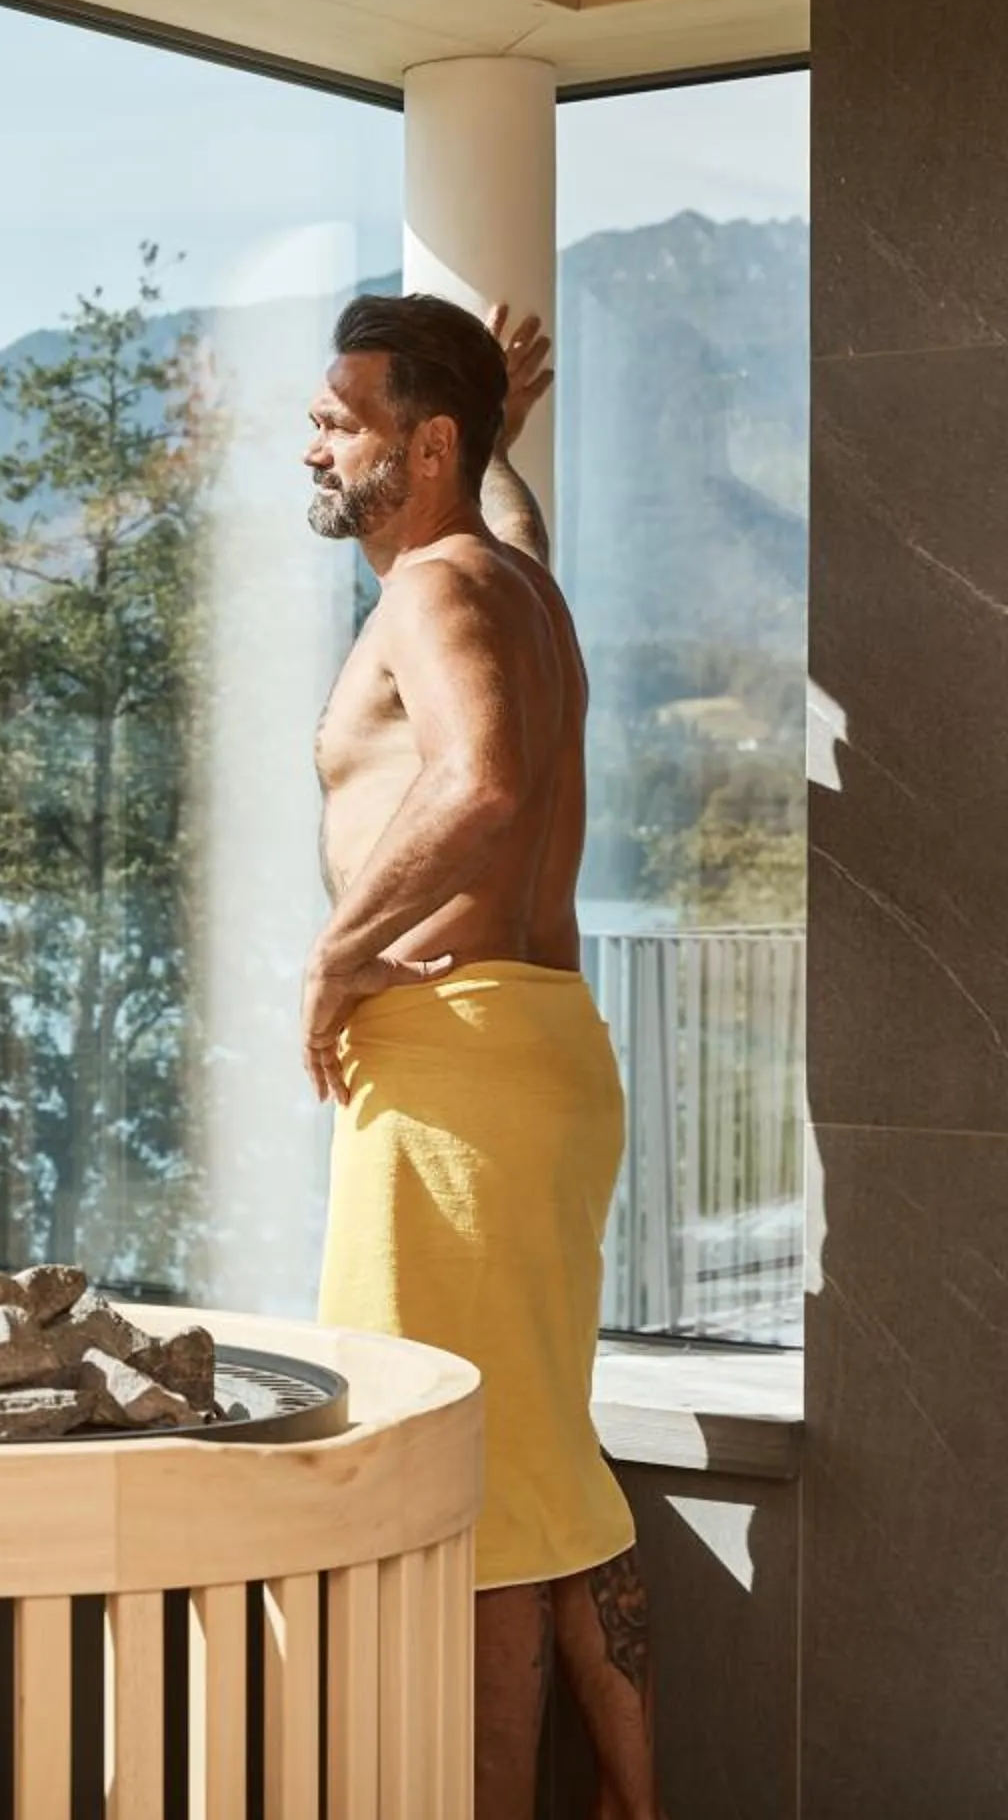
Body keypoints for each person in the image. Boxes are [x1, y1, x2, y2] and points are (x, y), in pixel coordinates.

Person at [297, 293, 661, 1820]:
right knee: (532, 1460)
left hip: (451, 1062)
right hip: (535, 1051)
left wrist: (336, 957)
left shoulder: (433, 590)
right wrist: (501, 435)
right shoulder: (514, 583)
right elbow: (510, 533)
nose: (312, 445)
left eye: (341, 421)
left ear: (424, 446)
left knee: (456, 1486)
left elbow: (483, 780)